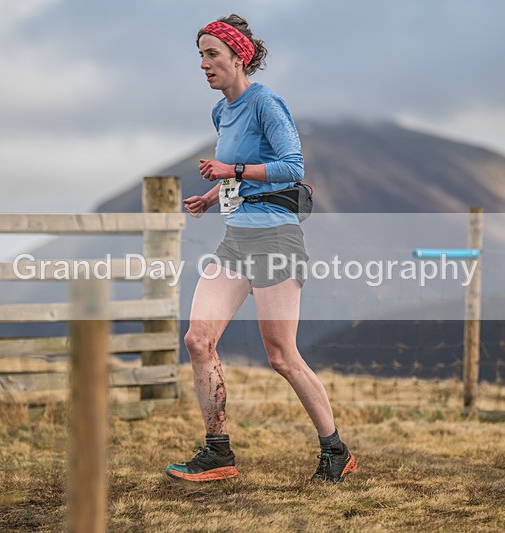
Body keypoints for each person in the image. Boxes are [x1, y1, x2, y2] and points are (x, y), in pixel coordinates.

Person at [164, 14, 357, 484]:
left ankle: (335, 450)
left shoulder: (265, 102)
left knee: (281, 356)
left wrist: (229, 171)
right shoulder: (221, 112)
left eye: (212, 54)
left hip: (276, 239)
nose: (204, 64)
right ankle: (217, 451)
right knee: (197, 339)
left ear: (238, 56)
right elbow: (242, 174)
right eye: (201, 56)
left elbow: (291, 167)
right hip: (236, 240)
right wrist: (212, 197)